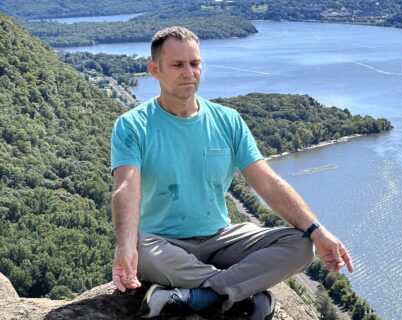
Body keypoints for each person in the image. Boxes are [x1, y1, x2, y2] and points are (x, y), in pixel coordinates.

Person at [110, 26, 353, 319]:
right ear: (155, 70)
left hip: (223, 238)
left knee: (302, 245)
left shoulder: (227, 120)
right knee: (139, 247)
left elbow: (268, 183)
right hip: (164, 243)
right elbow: (126, 188)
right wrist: (125, 247)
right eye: (177, 65)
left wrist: (318, 230)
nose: (189, 72)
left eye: (195, 63)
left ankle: (196, 297)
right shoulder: (132, 125)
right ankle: (241, 293)